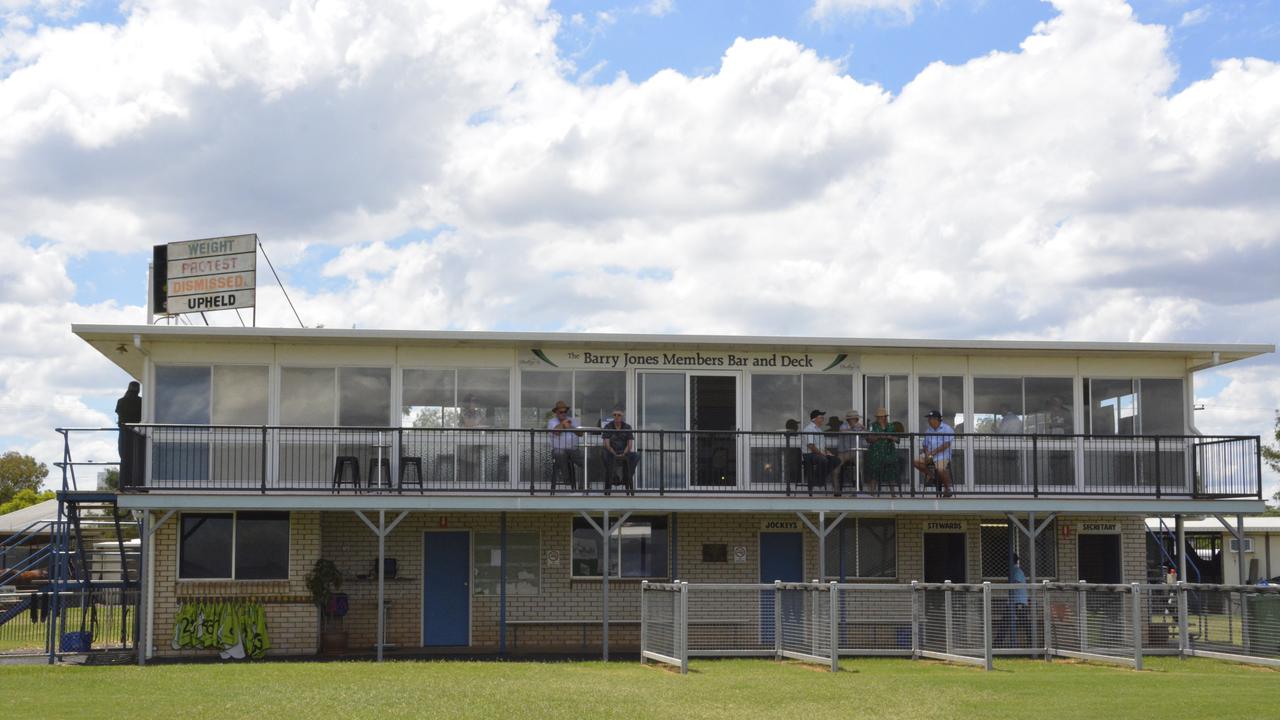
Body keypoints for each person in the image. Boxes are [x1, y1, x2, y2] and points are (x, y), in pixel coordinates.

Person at [914, 410, 954, 496]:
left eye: (930, 419)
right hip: (930, 455)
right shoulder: (929, 430)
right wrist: (927, 452)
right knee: (916, 462)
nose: (928, 420)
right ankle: (932, 477)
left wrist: (932, 452)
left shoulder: (947, 429)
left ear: (936, 419)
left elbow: (947, 444)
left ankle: (947, 489)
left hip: (942, 456)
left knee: (940, 469)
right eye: (928, 419)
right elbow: (924, 444)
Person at [601, 406, 638, 494]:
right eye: (614, 415)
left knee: (636, 455)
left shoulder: (627, 427)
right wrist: (614, 453)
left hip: (624, 451)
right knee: (604, 454)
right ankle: (613, 477)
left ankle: (626, 477)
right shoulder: (608, 426)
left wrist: (624, 453)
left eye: (619, 415)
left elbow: (629, 445)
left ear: (622, 416)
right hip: (611, 451)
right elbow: (606, 444)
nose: (616, 417)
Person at [801, 410, 839, 494]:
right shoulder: (809, 429)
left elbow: (821, 446)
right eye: (821, 417)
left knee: (836, 460)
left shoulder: (819, 430)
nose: (823, 419)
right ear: (814, 419)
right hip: (809, 454)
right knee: (823, 459)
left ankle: (816, 481)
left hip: (817, 453)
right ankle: (818, 484)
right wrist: (822, 454)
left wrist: (827, 452)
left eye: (823, 417)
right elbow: (811, 446)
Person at [547, 400, 582, 490]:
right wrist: (563, 424)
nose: (563, 413)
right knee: (560, 453)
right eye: (561, 412)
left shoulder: (572, 421)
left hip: (573, 450)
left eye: (565, 411)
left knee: (586, 460)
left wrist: (570, 426)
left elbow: (580, 433)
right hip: (558, 450)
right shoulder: (552, 422)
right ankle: (567, 479)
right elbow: (556, 432)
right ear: (556, 413)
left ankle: (584, 487)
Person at [115, 381, 142, 487]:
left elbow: (119, 414)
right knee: (136, 457)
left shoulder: (121, 401)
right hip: (136, 433)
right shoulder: (141, 402)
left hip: (124, 431)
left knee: (124, 457)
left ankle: (123, 483)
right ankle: (135, 482)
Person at [866, 408, 897, 495]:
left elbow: (897, 439)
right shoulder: (873, 425)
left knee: (891, 472)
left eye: (881, 417)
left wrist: (891, 437)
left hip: (889, 452)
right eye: (878, 417)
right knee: (874, 472)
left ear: (885, 417)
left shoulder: (891, 426)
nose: (880, 418)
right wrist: (880, 437)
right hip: (875, 452)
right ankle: (872, 493)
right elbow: (868, 439)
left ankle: (893, 493)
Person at [836, 410, 864, 492]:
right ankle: (837, 489)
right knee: (836, 468)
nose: (856, 420)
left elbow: (867, 435)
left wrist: (864, 428)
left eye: (857, 419)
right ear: (849, 419)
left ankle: (858, 487)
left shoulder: (859, 426)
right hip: (843, 452)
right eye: (855, 419)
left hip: (855, 452)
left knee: (860, 465)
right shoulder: (843, 426)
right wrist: (853, 427)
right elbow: (842, 431)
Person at [1008, 553, 1030, 648]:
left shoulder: (1017, 571)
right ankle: (997, 645)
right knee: (1005, 623)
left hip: (1019, 602)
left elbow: (1016, 583)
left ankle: (1031, 644)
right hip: (1014, 602)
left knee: (1025, 623)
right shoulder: (1013, 570)